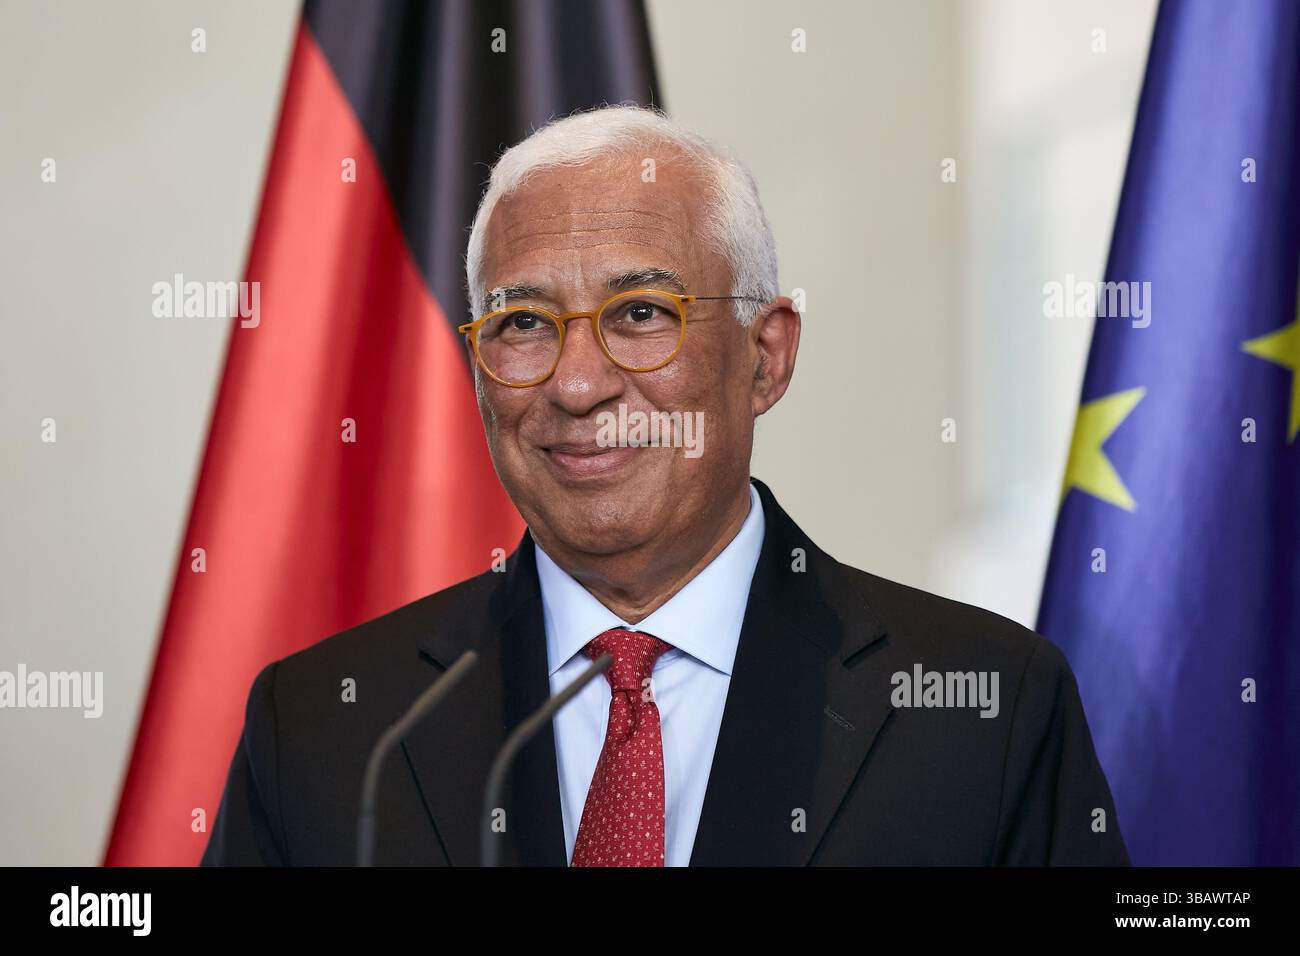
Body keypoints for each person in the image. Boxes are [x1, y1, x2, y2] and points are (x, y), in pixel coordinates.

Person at [202, 105, 1129, 866]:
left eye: (640, 313)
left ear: (766, 357)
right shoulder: (325, 725)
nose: (575, 384)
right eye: (523, 323)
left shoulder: (988, 707)